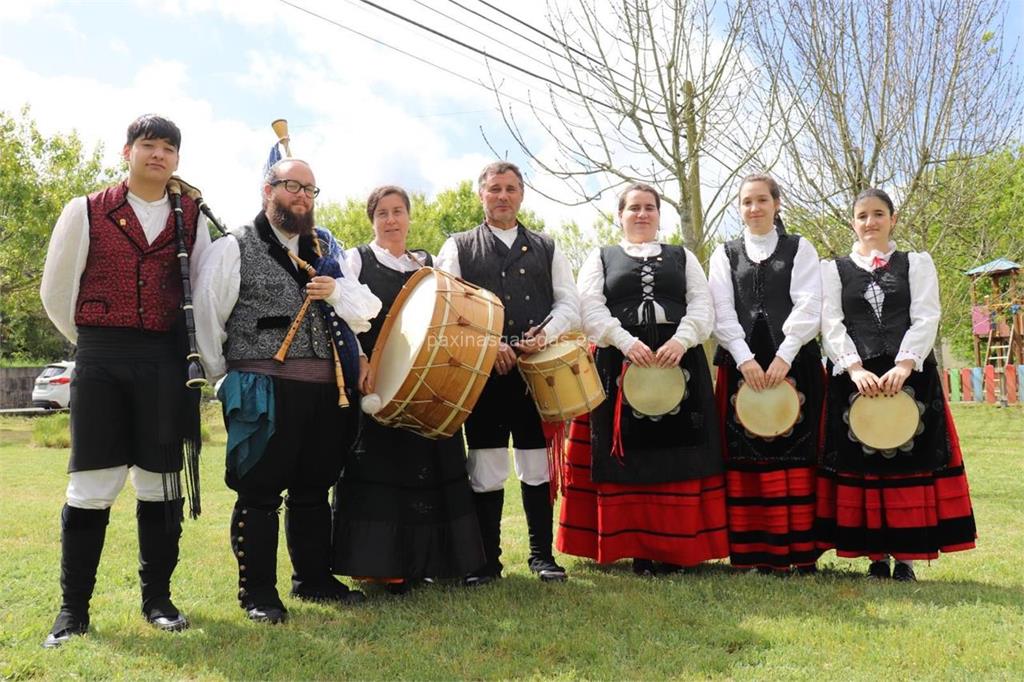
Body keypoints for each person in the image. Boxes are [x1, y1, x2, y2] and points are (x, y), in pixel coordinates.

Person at [39, 114, 211, 648]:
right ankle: (73, 611)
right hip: (103, 360)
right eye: (148, 145)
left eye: (167, 148)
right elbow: (56, 292)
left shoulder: (193, 216)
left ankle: (158, 601)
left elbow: (203, 293)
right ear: (127, 151)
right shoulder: (86, 210)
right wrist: (101, 339)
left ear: (177, 160)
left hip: (164, 361)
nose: (157, 155)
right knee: (91, 486)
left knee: (161, 486)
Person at [194, 158, 381, 622]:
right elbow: (206, 319)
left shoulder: (326, 251)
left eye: (310, 190)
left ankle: (313, 581)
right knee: (259, 495)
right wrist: (226, 380)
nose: (301, 196)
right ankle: (257, 594)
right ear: (268, 189)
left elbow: (366, 312)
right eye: (292, 186)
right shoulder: (234, 247)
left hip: (328, 393)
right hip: (262, 390)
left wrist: (334, 290)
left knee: (314, 490)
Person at [556, 183, 728, 575]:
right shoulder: (601, 257)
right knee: (627, 456)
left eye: (649, 207)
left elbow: (703, 305)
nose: (642, 214)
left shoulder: (683, 257)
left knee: (677, 452)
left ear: (658, 215)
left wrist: (682, 340)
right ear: (620, 216)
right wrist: (624, 341)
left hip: (678, 359)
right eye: (633, 208)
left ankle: (676, 548)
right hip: (618, 362)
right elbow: (589, 307)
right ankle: (637, 549)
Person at [331, 185, 486, 593]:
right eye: (382, 213)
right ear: (372, 220)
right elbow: (343, 316)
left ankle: (434, 562)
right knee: (383, 467)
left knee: (432, 465)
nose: (391, 220)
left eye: (398, 211)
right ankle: (385, 568)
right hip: (378, 383)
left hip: (428, 385)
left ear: (409, 216)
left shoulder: (431, 264)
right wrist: (360, 361)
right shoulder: (356, 260)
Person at [817, 188, 977, 581]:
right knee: (866, 467)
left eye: (877, 214)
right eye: (862, 216)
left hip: (910, 374)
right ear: (852, 222)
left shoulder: (916, 263)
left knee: (908, 465)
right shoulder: (833, 269)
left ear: (893, 218)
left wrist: (905, 365)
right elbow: (831, 323)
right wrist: (853, 368)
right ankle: (875, 558)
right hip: (856, 377)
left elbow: (926, 315)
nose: (869, 222)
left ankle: (904, 558)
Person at [435, 161, 581, 585]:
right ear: (481, 194)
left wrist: (546, 334)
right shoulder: (457, 246)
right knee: (485, 466)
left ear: (522, 195)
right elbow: (447, 307)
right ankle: (486, 562)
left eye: (511, 189)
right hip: (481, 374)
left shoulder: (548, 246)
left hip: (538, 372)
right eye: (495, 188)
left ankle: (542, 557)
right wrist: (489, 345)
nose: (503, 196)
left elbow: (568, 304)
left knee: (537, 466)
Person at [709, 174, 825, 574]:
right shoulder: (724, 253)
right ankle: (753, 552)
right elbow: (721, 310)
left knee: (797, 455)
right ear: (739, 208)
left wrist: (785, 355)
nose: (754, 208)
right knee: (747, 458)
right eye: (746, 202)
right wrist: (743, 358)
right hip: (743, 364)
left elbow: (810, 304)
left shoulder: (800, 247)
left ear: (777, 203)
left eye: (762, 200)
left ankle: (801, 553)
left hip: (794, 361)